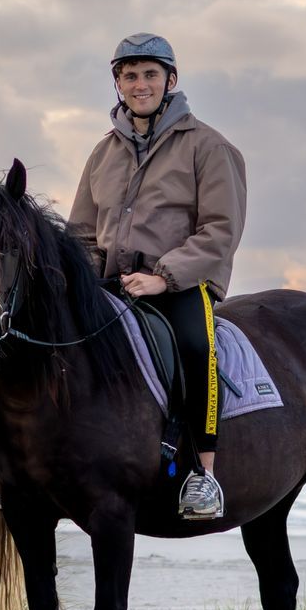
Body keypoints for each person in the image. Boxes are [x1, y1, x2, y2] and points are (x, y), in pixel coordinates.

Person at [67, 33, 247, 519]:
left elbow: (220, 231)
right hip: (111, 284)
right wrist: (79, 280)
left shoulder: (209, 147)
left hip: (181, 285)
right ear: (118, 84)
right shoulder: (103, 153)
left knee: (195, 346)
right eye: (130, 76)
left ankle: (203, 476)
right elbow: (82, 232)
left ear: (170, 80)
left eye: (150, 74)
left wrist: (163, 277)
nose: (140, 84)